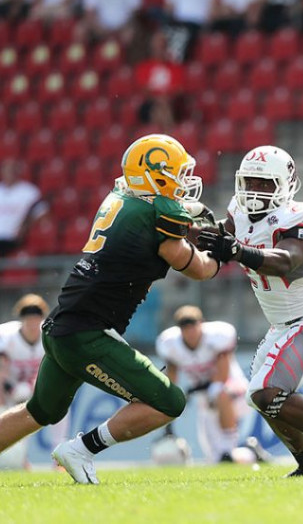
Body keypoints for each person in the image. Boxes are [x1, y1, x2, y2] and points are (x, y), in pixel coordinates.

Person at [0, 134, 221, 484]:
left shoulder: (120, 197)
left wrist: (190, 214)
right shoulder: (157, 210)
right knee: (169, 402)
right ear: (155, 173)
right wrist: (220, 255)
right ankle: (82, 449)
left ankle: (79, 449)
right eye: (175, 174)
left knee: (38, 412)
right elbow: (195, 267)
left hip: (61, 327)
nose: (181, 183)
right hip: (88, 333)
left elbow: (150, 219)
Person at [196, 145, 303, 477]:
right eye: (250, 182)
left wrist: (237, 250)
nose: (255, 191)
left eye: (264, 184)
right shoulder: (238, 213)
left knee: (265, 392)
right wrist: (192, 230)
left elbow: (285, 261)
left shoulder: (302, 215)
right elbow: (222, 239)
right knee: (264, 397)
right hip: (282, 325)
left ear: (285, 184)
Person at [155, 305, 267, 465]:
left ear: (201, 323)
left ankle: (229, 446)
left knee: (218, 392)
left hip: (233, 390)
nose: (190, 331)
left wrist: (210, 391)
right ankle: (250, 453)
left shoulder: (217, 336)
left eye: (193, 325)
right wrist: (173, 399)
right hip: (205, 398)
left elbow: (221, 376)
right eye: (185, 327)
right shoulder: (170, 344)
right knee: (217, 458)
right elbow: (172, 378)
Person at [0, 294, 69, 469]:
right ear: (21, 320)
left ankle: (59, 458)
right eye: (28, 320)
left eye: (35, 320)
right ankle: (20, 459)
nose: (32, 325)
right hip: (10, 386)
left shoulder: (50, 335)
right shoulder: (6, 336)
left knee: (60, 406)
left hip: (38, 385)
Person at [0, 159, 49, 257]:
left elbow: (42, 213)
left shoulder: (29, 191)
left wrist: (26, 226)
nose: (9, 173)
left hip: (15, 238)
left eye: (12, 170)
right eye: (6, 170)